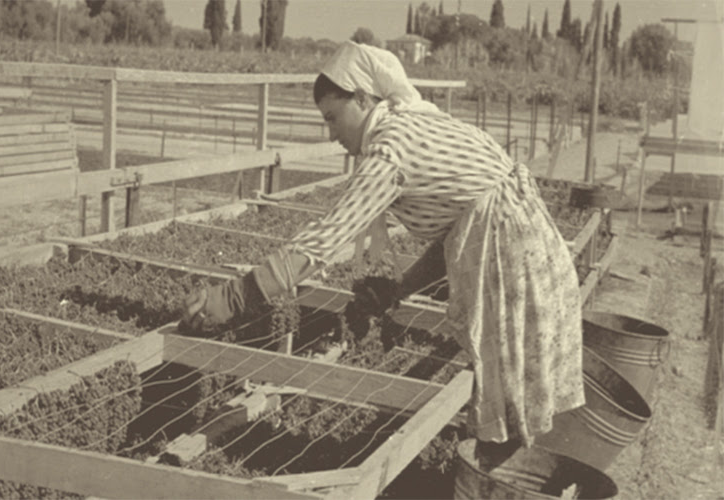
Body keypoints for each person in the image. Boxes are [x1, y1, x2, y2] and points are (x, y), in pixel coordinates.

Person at [178, 41, 584, 458]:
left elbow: (330, 233)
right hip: (526, 257)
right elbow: (460, 235)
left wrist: (237, 296)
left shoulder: (391, 148)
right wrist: (399, 289)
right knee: (517, 405)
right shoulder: (412, 124)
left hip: (515, 267)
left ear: (362, 97)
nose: (332, 134)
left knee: (515, 409)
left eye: (334, 119)